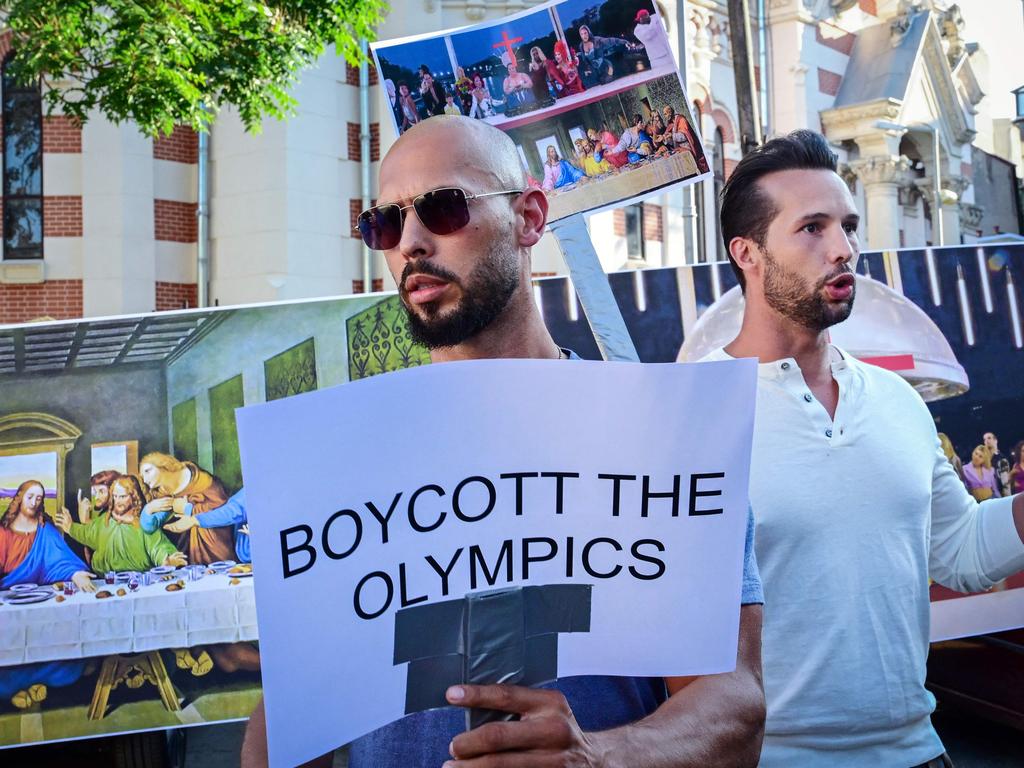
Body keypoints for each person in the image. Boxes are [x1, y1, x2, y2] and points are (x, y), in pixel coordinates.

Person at [243, 114, 766, 768]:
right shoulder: (334, 465)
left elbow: (734, 706)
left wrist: (600, 757)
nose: (409, 242)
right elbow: (291, 719)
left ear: (529, 218)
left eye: (442, 208)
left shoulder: (664, 437)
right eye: (384, 222)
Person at [705, 128, 1024, 767]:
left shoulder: (898, 400)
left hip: (920, 752)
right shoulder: (689, 411)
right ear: (748, 252)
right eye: (813, 228)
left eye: (847, 226)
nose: (844, 248)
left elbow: (959, 552)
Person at [0, 480, 94, 710]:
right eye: (30, 496)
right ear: (19, 497)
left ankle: (31, 684)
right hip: (7, 601)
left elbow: (61, 561)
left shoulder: (45, 531)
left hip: (41, 600)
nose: (34, 502)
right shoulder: (2, 533)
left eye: (39, 498)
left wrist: (76, 574)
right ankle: (15, 687)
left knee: (53, 638)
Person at [56, 475, 186, 573]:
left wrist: (167, 561)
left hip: (139, 582)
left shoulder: (143, 525)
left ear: (134, 497)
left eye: (123, 497)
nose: (118, 501)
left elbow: (158, 547)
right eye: (115, 496)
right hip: (106, 582)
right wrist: (70, 527)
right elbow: (87, 533)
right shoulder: (104, 521)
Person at [138, 451, 234, 565]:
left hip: (214, 543)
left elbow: (222, 509)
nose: (145, 479)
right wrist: (149, 509)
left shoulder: (200, 480)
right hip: (186, 550)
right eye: (143, 476)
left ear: (163, 465)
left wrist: (187, 509)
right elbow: (150, 527)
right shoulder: (162, 492)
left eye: (148, 471)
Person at [983, 431, 1011, 496]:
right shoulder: (983, 460)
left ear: (995, 441)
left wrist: (1007, 499)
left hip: (999, 496)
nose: (986, 441)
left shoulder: (1001, 459)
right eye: (984, 439)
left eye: (989, 438)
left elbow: (1006, 483)